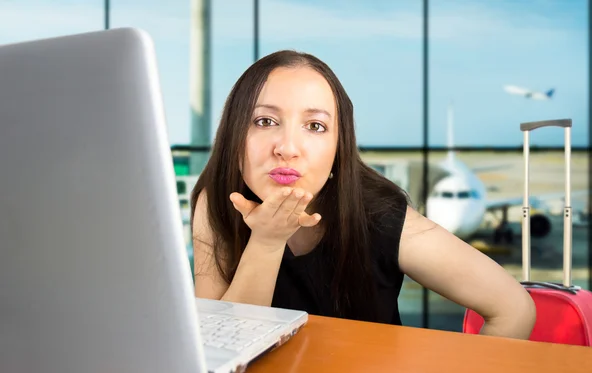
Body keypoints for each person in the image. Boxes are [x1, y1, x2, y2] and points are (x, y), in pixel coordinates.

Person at [190, 50, 536, 339]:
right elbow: (220, 345)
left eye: (315, 126)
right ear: (234, 134)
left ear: (339, 147)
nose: (288, 148)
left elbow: (513, 309)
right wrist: (266, 243)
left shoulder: (377, 214)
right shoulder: (217, 201)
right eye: (264, 121)